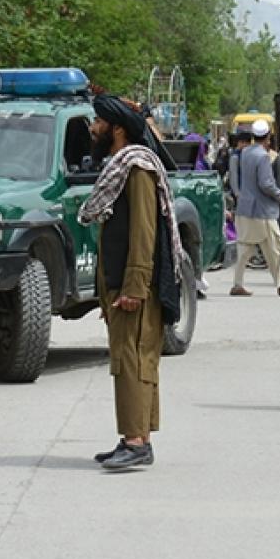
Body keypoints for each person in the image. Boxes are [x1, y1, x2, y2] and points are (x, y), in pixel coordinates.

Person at [78, 95, 183, 470]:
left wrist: (134, 286)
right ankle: (139, 437)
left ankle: (135, 441)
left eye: (99, 122)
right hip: (122, 283)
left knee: (132, 360)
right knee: (138, 358)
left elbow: (144, 231)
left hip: (136, 285)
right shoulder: (121, 167)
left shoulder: (137, 169)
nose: (93, 128)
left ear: (117, 129)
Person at [230, 119, 280, 297]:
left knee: (245, 247)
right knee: (276, 246)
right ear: (268, 137)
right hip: (262, 211)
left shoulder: (244, 153)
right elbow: (266, 183)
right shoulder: (262, 156)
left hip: (245, 208)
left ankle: (237, 284)